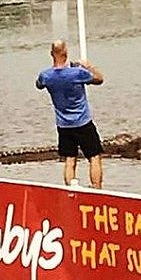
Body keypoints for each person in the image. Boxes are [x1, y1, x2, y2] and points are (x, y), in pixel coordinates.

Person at [36, 39, 104, 189]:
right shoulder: (77, 73)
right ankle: (97, 188)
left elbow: (39, 84)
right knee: (94, 156)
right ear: (66, 53)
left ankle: (70, 190)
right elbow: (99, 79)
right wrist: (88, 66)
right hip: (82, 122)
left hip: (63, 124)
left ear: (51, 54)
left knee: (70, 159)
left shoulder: (46, 76)